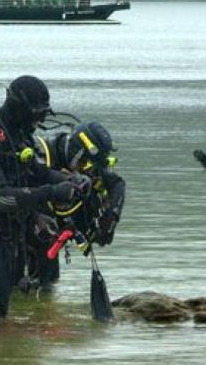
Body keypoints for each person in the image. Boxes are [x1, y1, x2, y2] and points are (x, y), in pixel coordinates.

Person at [0, 75, 90, 326]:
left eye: (42, 115)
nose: (38, 121)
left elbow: (35, 172)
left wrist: (70, 180)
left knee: (7, 312)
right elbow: (1, 197)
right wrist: (53, 191)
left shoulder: (18, 134)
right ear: (18, 107)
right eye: (36, 114)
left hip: (9, 235)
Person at [24, 121, 125, 290]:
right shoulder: (41, 156)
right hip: (21, 236)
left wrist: (111, 218)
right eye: (83, 163)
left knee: (48, 285)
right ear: (75, 152)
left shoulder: (91, 163)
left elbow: (117, 185)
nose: (85, 170)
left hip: (52, 239)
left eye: (90, 166)